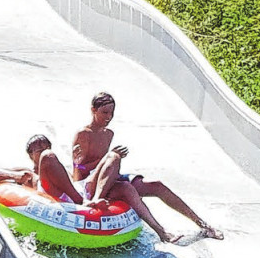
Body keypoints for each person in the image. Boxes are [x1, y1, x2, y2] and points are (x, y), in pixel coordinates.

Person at [72, 91, 223, 243]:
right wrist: (108, 158)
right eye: (104, 112)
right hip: (88, 184)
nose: (108, 117)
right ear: (93, 110)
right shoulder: (84, 134)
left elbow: (105, 165)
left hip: (107, 179)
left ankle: (203, 225)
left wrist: (110, 161)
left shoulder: (108, 134)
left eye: (111, 113)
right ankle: (162, 232)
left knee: (156, 185)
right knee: (115, 161)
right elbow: (79, 172)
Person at [0, 134, 91, 206]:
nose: (46, 151)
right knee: (47, 157)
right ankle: (80, 201)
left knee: (107, 160)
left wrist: (76, 164)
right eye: (40, 150)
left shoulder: (58, 168)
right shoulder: (28, 172)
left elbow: (75, 182)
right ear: (31, 155)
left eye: (48, 148)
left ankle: (89, 200)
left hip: (70, 198)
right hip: (50, 196)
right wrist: (14, 176)